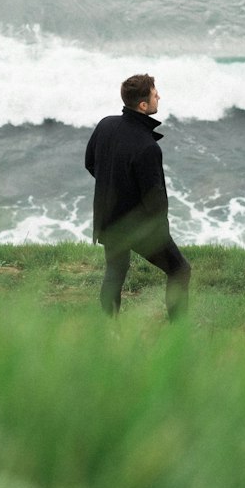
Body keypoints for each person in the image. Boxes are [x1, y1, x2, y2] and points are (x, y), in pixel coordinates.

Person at [85, 73, 191, 321]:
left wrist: (117, 191)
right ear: (143, 105)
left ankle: (109, 330)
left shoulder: (105, 125)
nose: (159, 97)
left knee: (115, 270)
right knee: (180, 269)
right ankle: (178, 332)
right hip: (140, 228)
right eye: (155, 94)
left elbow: (91, 163)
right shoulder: (147, 147)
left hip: (109, 218)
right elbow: (154, 201)